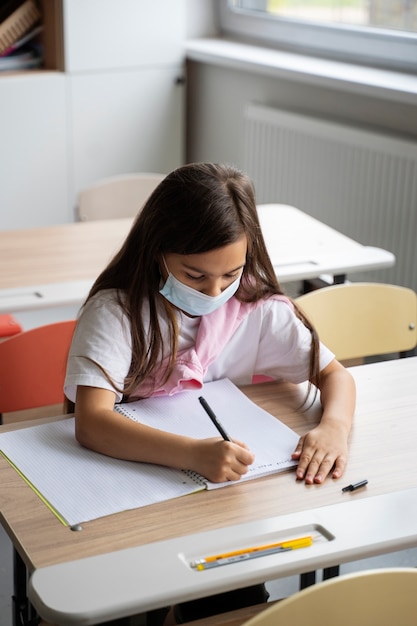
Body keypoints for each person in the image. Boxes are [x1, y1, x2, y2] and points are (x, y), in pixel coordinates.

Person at [64, 162, 356, 623]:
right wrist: (193, 454)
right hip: (129, 496)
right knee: (124, 602)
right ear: (157, 250)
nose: (216, 289)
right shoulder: (116, 314)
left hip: (221, 504)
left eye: (231, 273)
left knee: (233, 602)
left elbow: (336, 375)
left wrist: (334, 427)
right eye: (195, 275)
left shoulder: (254, 308)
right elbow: (92, 421)